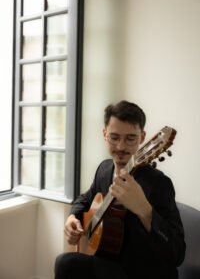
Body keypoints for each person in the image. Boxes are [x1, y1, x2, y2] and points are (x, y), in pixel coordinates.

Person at [55, 100, 186, 279]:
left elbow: (177, 253)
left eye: (130, 138)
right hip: (108, 262)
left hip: (143, 270)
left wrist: (144, 210)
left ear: (142, 137)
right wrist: (73, 217)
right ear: (104, 134)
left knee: (66, 263)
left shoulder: (158, 184)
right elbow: (85, 198)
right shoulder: (104, 169)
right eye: (114, 137)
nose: (121, 147)